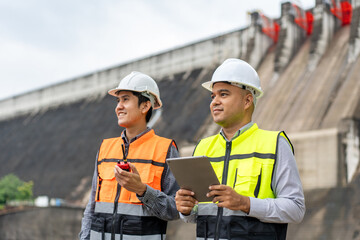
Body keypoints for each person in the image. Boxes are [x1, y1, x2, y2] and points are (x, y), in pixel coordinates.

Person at [175, 58, 305, 240]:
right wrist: (186, 210)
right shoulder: (203, 147)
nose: (215, 102)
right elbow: (197, 215)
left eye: (224, 94)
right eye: (213, 96)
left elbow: (296, 209)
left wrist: (245, 203)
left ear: (247, 101)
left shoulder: (274, 144)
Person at [79, 71, 180, 240]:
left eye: (125, 99)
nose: (118, 106)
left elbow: (176, 209)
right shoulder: (105, 147)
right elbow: (92, 206)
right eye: (118, 100)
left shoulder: (165, 149)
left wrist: (142, 190)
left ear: (145, 106)